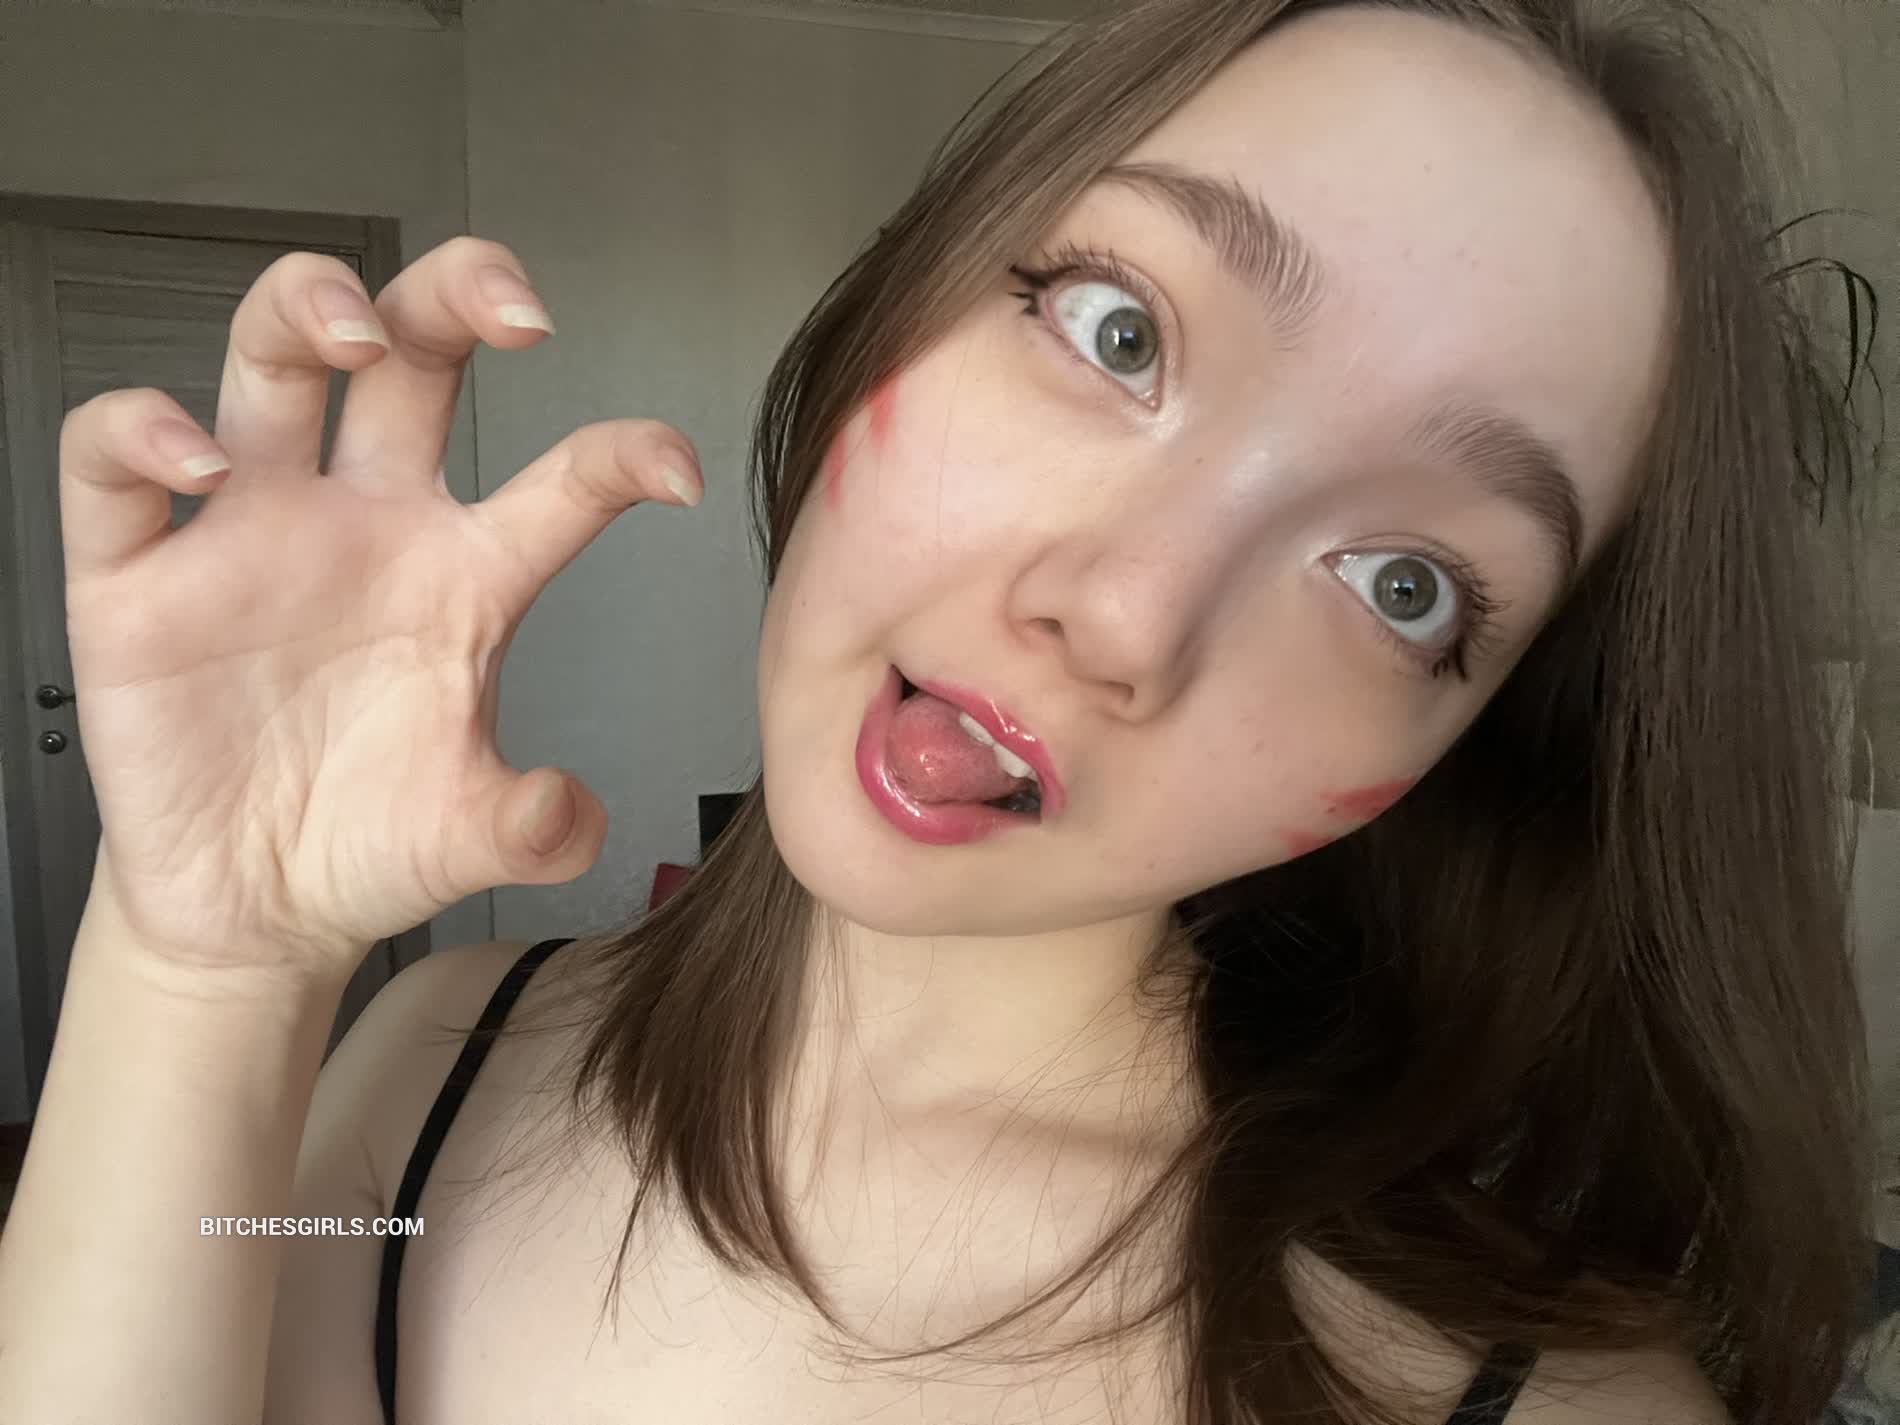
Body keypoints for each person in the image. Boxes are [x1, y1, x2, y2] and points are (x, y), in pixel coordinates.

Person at [0, 0, 1877, 1421]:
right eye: (1121, 331)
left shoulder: (1524, 1401)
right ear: (910, 288)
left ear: (1464, 747)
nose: (1122, 613)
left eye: (1405, 583)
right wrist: (202, 964)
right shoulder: (436, 1065)